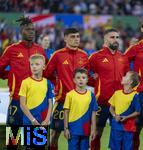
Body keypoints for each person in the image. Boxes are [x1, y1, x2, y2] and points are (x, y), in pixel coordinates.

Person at [0, 16, 46, 149]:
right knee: (13, 142)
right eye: (28, 29)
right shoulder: (12, 50)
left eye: (33, 29)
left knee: (35, 145)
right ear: (21, 31)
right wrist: (9, 76)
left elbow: (46, 72)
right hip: (17, 101)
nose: (32, 32)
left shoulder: (40, 50)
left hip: (37, 103)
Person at [44, 28, 89, 150]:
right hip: (62, 101)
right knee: (54, 134)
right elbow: (47, 73)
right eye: (73, 36)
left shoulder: (84, 55)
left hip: (80, 103)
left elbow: (88, 75)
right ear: (65, 39)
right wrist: (58, 83)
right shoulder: (58, 55)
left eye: (78, 36)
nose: (76, 39)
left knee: (81, 136)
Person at [89, 28, 129, 150]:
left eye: (117, 37)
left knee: (119, 134)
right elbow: (83, 73)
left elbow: (127, 78)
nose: (116, 40)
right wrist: (95, 82)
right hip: (101, 102)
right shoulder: (96, 56)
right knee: (96, 132)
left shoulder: (123, 57)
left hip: (119, 104)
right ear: (105, 39)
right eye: (112, 37)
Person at [19, 54, 52, 150]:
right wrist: (33, 120)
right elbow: (22, 104)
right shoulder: (25, 82)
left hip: (42, 122)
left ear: (43, 66)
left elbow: (50, 103)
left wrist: (47, 119)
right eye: (32, 64)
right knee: (29, 148)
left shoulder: (47, 83)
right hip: (28, 122)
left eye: (37, 64)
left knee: (40, 147)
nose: (34, 66)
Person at [64, 68, 98, 150]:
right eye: (78, 77)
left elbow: (93, 113)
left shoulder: (91, 95)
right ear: (74, 80)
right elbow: (66, 112)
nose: (81, 80)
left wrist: (93, 129)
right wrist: (66, 128)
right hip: (73, 129)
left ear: (87, 80)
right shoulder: (70, 95)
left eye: (83, 77)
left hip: (86, 129)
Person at [109, 71, 141, 150]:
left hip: (129, 127)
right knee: (115, 147)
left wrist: (126, 117)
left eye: (125, 76)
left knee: (127, 147)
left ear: (130, 82)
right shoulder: (117, 93)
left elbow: (137, 112)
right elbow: (111, 108)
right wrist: (114, 115)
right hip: (116, 126)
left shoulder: (135, 95)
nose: (123, 77)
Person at [124, 23, 143, 150]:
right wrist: (128, 82)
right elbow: (122, 62)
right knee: (135, 129)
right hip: (140, 94)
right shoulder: (136, 48)